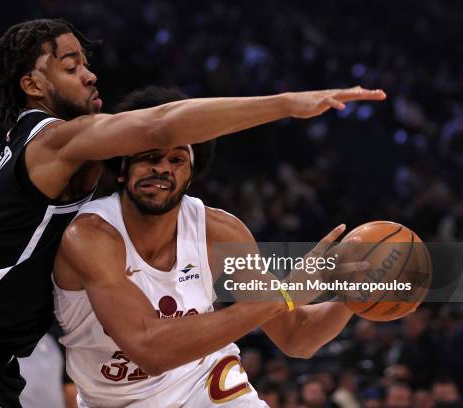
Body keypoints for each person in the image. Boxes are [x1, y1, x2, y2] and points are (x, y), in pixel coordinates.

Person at [0, 17, 385, 407]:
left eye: (177, 159)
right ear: (33, 85)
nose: (90, 73)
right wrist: (286, 104)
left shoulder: (210, 228)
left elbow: (296, 336)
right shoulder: (53, 144)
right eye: (70, 65)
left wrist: (352, 291)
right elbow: (159, 124)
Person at [53, 87, 371, 407]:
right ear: (122, 170)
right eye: (149, 156)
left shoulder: (219, 234)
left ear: (191, 175)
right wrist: (282, 296)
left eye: (176, 159)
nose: (162, 167)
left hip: (206, 385)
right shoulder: (90, 236)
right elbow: (150, 349)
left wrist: (349, 298)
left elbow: (295, 337)